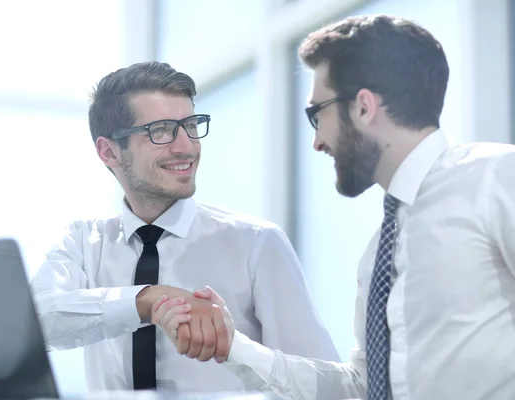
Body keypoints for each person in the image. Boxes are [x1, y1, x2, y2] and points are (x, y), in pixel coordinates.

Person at [152, 15, 515, 400]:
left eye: (317, 114)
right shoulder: (378, 252)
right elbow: (361, 388)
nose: (317, 142)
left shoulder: (497, 178)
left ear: (363, 107)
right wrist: (234, 347)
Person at [29, 61, 339, 393]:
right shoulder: (83, 241)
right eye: (160, 130)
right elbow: (38, 320)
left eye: (190, 125)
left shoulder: (257, 243)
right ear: (109, 151)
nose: (186, 146)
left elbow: (321, 384)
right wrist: (148, 300)